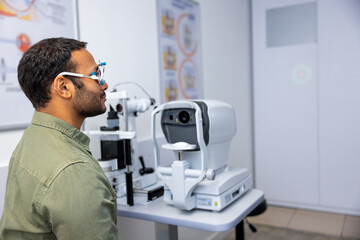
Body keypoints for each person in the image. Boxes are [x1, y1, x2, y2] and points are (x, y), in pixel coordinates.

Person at [0, 37, 121, 239]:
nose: (105, 84)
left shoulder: (33, 138)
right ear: (64, 87)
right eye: (95, 75)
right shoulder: (74, 170)